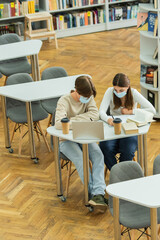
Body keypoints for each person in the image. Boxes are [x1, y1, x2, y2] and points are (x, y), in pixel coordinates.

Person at [55, 75, 107, 208]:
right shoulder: (64, 101)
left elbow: (95, 115)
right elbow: (59, 124)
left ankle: (99, 193)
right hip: (66, 140)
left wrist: (72, 120)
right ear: (77, 92)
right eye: (85, 97)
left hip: (84, 134)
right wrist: (83, 119)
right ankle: (91, 194)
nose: (88, 99)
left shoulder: (88, 96)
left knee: (98, 155)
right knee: (81, 160)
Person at [99, 73, 156, 170]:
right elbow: (101, 112)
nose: (118, 92)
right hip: (113, 128)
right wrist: (108, 119)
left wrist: (131, 111)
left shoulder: (133, 93)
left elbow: (152, 110)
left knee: (128, 150)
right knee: (105, 147)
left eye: (121, 90)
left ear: (128, 87)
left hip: (130, 128)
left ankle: (122, 174)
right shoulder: (110, 91)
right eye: (116, 90)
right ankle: (116, 173)